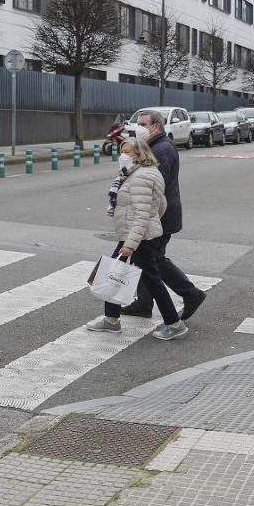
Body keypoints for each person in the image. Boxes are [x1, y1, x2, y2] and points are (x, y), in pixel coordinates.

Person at [85, 137, 187, 341]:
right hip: (136, 233)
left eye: (128, 152)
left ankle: (174, 323)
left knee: (150, 280)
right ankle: (111, 319)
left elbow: (143, 213)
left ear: (140, 154)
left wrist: (131, 244)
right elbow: (161, 205)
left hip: (139, 237)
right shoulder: (142, 173)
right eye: (122, 150)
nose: (123, 155)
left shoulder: (141, 177)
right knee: (114, 273)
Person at [118, 110, 207, 322]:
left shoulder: (162, 149)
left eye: (142, 124)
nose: (137, 127)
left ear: (156, 126)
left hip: (159, 216)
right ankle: (143, 303)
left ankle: (190, 293)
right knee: (145, 260)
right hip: (156, 215)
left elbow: (155, 188)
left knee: (154, 259)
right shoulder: (156, 146)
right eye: (137, 123)